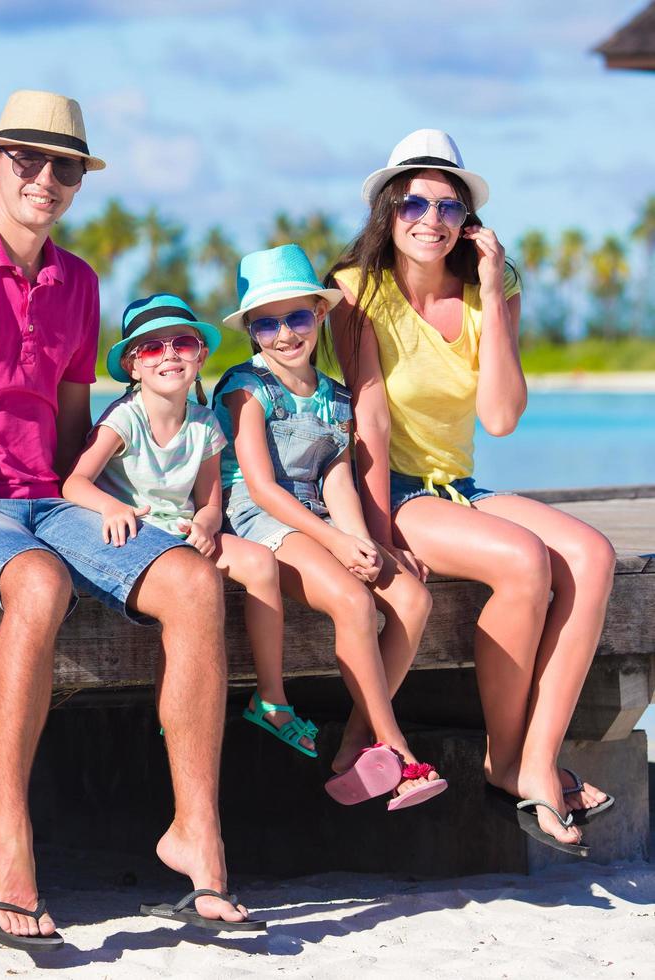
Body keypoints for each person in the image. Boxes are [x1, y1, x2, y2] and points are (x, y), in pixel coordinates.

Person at [0, 90, 259, 949]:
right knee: (42, 585)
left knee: (196, 583)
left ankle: (196, 831)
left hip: (49, 500)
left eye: (64, 167)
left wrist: (128, 517)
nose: (44, 179)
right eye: (27, 160)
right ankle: (4, 835)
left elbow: (69, 429)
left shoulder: (79, 281)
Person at [329, 130, 616, 853]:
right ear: (388, 211)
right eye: (415, 202)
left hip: (458, 484)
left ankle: (531, 761)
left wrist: (491, 288)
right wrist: (377, 529)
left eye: (449, 205)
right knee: (524, 560)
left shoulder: (495, 291)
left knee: (590, 553)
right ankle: (513, 765)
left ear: (470, 221)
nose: (432, 218)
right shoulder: (356, 289)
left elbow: (500, 416)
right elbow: (367, 418)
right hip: (391, 489)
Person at [215, 244, 443, 810]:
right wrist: (335, 544)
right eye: (267, 323)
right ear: (252, 330)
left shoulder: (335, 398)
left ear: (320, 314)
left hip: (317, 519)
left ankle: (356, 743)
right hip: (258, 518)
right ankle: (399, 753)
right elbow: (262, 488)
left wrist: (362, 542)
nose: (285, 334)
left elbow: (338, 479)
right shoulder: (245, 387)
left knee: (412, 599)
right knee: (352, 601)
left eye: (296, 317)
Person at [63, 293, 317, 758]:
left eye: (182, 343)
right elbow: (74, 483)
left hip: (181, 532)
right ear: (134, 367)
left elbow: (210, 502)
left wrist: (205, 523)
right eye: (153, 349)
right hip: (136, 537)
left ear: (201, 356)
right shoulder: (124, 418)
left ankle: (272, 696)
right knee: (188, 591)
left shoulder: (204, 424)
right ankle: (176, 711)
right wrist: (111, 508)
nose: (170, 355)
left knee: (261, 562)